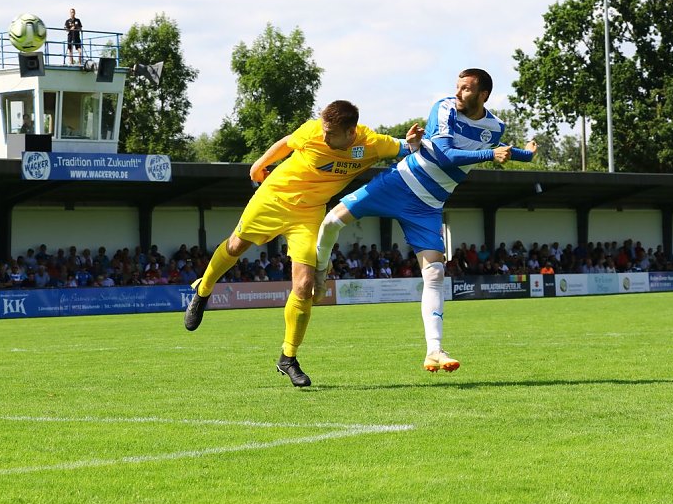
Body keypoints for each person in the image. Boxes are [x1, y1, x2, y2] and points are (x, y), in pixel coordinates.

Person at [183, 99, 422, 387]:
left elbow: (406, 146)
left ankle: (287, 358)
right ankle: (203, 291)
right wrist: (260, 165)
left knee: (304, 285)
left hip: (308, 215)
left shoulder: (372, 143)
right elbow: (287, 142)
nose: (323, 136)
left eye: (330, 133)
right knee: (235, 247)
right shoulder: (312, 131)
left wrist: (412, 142)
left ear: (350, 132)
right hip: (274, 198)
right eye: (323, 129)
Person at [314, 69, 537, 373]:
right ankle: (319, 271)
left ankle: (435, 350)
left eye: (467, 89)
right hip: (401, 182)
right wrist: (489, 153)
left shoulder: (495, 127)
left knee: (434, 273)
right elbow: (444, 155)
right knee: (330, 222)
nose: (458, 93)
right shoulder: (444, 107)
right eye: (457, 87)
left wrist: (528, 155)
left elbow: (503, 153)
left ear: (483, 95)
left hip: (429, 204)